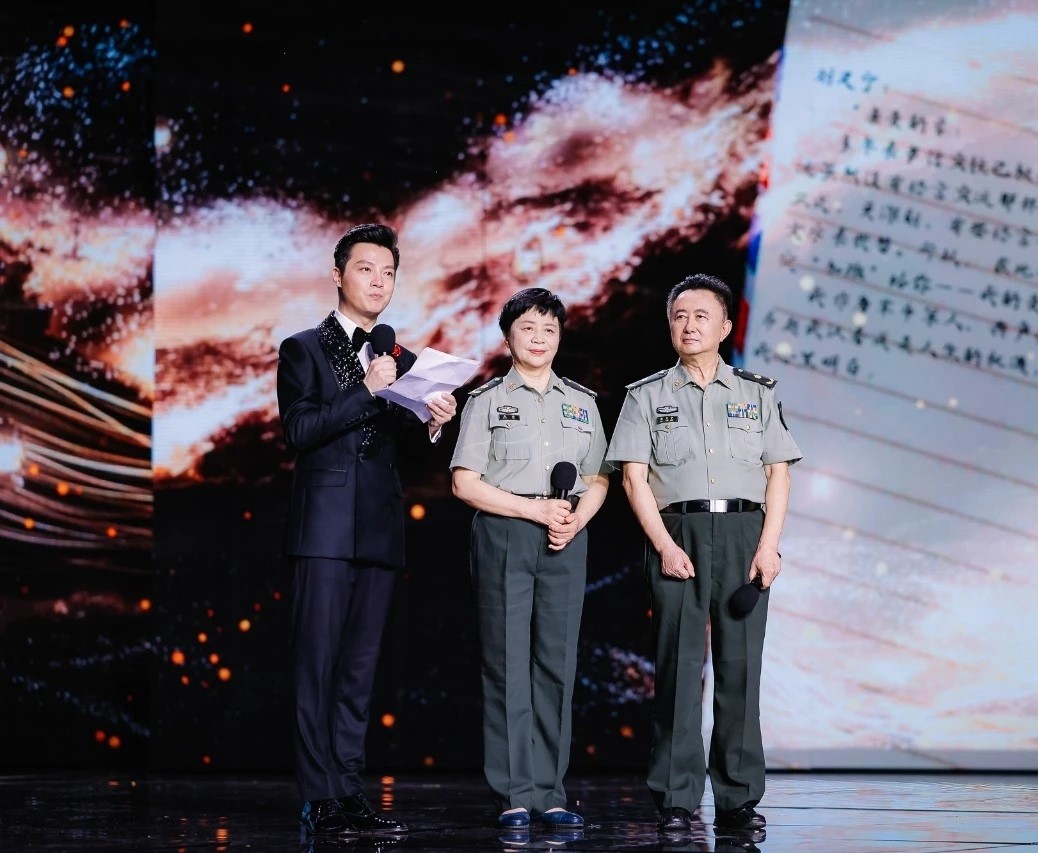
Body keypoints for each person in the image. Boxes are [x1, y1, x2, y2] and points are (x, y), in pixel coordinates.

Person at [277, 223, 457, 837]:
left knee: (359, 669)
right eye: (365, 269)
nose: (378, 282)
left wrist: (433, 419)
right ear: (338, 275)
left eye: (388, 273)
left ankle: (350, 789)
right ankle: (318, 795)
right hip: (323, 531)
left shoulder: (400, 359)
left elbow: (401, 441)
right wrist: (366, 389)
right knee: (317, 665)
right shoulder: (302, 348)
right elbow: (299, 431)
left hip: (379, 528)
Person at [605, 273, 802, 833]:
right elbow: (634, 480)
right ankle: (676, 798)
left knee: (740, 669)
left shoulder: (757, 393)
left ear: (724, 326)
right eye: (679, 316)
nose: (689, 325)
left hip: (744, 535)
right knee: (678, 670)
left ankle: (738, 799)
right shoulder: (646, 395)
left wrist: (769, 547)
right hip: (678, 533)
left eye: (700, 316)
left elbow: (778, 475)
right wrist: (663, 545)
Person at [450, 288, 610, 832]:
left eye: (549, 330)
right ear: (508, 337)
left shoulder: (582, 402)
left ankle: (550, 792)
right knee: (507, 664)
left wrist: (575, 519)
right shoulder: (486, 401)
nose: (539, 339)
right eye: (528, 328)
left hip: (566, 537)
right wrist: (533, 510)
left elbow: (598, 478)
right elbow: (465, 483)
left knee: (556, 664)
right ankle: (514, 793)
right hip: (506, 534)